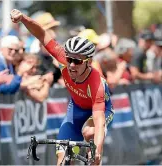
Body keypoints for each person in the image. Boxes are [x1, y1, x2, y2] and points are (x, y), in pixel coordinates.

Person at [10, 9, 114, 165]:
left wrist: (98, 150)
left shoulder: (96, 82)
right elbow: (42, 34)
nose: (71, 65)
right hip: (76, 111)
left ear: (88, 62)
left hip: (100, 112)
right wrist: (23, 18)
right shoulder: (63, 59)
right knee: (64, 157)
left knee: (89, 133)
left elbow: (99, 122)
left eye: (77, 61)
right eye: (70, 59)